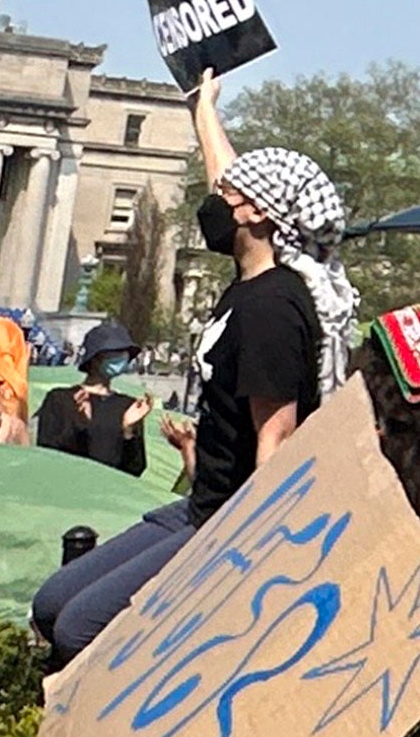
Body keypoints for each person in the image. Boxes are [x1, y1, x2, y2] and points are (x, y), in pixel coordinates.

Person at [33, 143, 350, 661]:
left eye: (227, 194)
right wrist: (202, 105)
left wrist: (257, 547)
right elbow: (235, 172)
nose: (215, 202)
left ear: (257, 211)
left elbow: (279, 434)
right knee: (52, 603)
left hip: (229, 519)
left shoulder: (273, 307)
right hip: (200, 501)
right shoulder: (245, 288)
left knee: (79, 629)